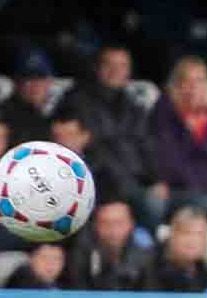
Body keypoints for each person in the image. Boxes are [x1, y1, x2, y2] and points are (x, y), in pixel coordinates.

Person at [61, 45, 162, 215]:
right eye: (109, 64)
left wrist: (157, 180)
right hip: (98, 184)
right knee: (151, 204)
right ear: (97, 68)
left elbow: (147, 146)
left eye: (122, 66)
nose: (116, 71)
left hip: (135, 181)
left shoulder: (134, 106)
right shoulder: (75, 101)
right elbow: (74, 144)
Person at [148, 56, 207, 215]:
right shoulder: (163, 113)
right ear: (177, 85)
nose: (194, 87)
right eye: (187, 81)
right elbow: (168, 161)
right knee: (201, 203)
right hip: (178, 191)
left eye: (200, 81)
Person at [2, 48, 64, 145]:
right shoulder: (2, 116)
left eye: (40, 77)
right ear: (16, 82)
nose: (35, 85)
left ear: (50, 81)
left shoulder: (61, 111)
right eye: (28, 78)